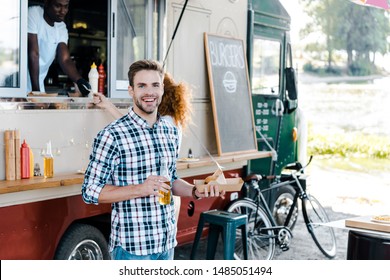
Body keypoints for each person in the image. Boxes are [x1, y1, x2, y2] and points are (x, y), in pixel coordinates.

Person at [82, 59, 224, 260]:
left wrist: (194, 190)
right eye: (142, 86)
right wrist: (141, 188)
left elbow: (171, 180)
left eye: (155, 85)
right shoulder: (112, 135)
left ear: (162, 89)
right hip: (132, 250)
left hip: (166, 245)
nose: (150, 92)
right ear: (131, 90)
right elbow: (90, 191)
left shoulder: (170, 131)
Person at [27, 0, 90, 96]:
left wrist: (79, 80)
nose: (63, 11)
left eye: (66, 6)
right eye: (58, 6)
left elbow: (65, 60)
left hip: (38, 84)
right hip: (20, 83)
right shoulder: (33, 14)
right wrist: (36, 92)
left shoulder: (61, 27)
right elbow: (33, 54)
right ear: (47, 3)